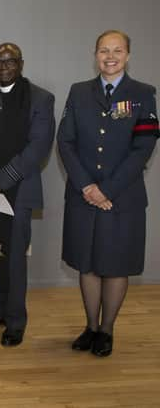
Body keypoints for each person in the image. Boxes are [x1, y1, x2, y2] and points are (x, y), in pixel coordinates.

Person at [57, 30, 158, 357]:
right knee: (87, 264)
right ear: (95, 54)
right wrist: (87, 186)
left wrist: (106, 190)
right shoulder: (79, 92)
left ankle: (107, 329)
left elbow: (143, 148)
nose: (110, 56)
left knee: (115, 265)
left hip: (122, 198)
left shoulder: (143, 94)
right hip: (82, 194)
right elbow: (65, 142)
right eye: (103, 50)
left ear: (128, 55)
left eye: (117, 50)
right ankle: (90, 326)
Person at [0, 43, 55, 346]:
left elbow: (38, 149)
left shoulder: (40, 99)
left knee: (14, 259)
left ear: (21, 63)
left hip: (17, 192)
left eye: (10, 62)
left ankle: (15, 321)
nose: (4, 67)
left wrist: (1, 180)